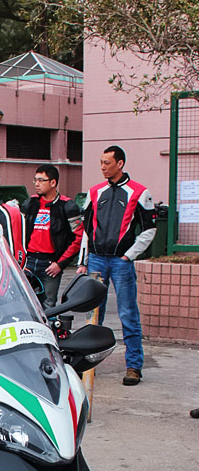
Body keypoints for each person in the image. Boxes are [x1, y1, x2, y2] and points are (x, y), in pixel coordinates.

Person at [77, 145, 156, 386]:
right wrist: (83, 261)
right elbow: (86, 230)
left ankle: (133, 366)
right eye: (100, 162)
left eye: (107, 163)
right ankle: (89, 365)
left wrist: (128, 256)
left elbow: (150, 228)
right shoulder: (95, 191)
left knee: (127, 313)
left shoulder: (139, 192)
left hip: (121, 262)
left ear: (120, 164)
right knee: (93, 315)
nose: (102, 167)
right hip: (98, 259)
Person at [22, 164, 84, 308]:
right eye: (35, 180)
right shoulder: (30, 203)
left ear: (53, 182)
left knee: (48, 306)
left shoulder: (67, 206)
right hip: (29, 261)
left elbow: (78, 238)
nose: (37, 184)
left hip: (50, 263)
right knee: (25, 304)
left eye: (41, 180)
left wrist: (60, 264)